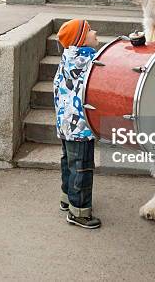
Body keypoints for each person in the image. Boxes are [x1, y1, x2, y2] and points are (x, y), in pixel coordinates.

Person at [53, 19, 101, 229]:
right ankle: (79, 212)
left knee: (69, 163)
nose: (95, 32)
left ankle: (68, 198)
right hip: (80, 126)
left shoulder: (69, 58)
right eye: (90, 30)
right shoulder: (87, 60)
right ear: (81, 40)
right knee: (81, 168)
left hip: (65, 124)